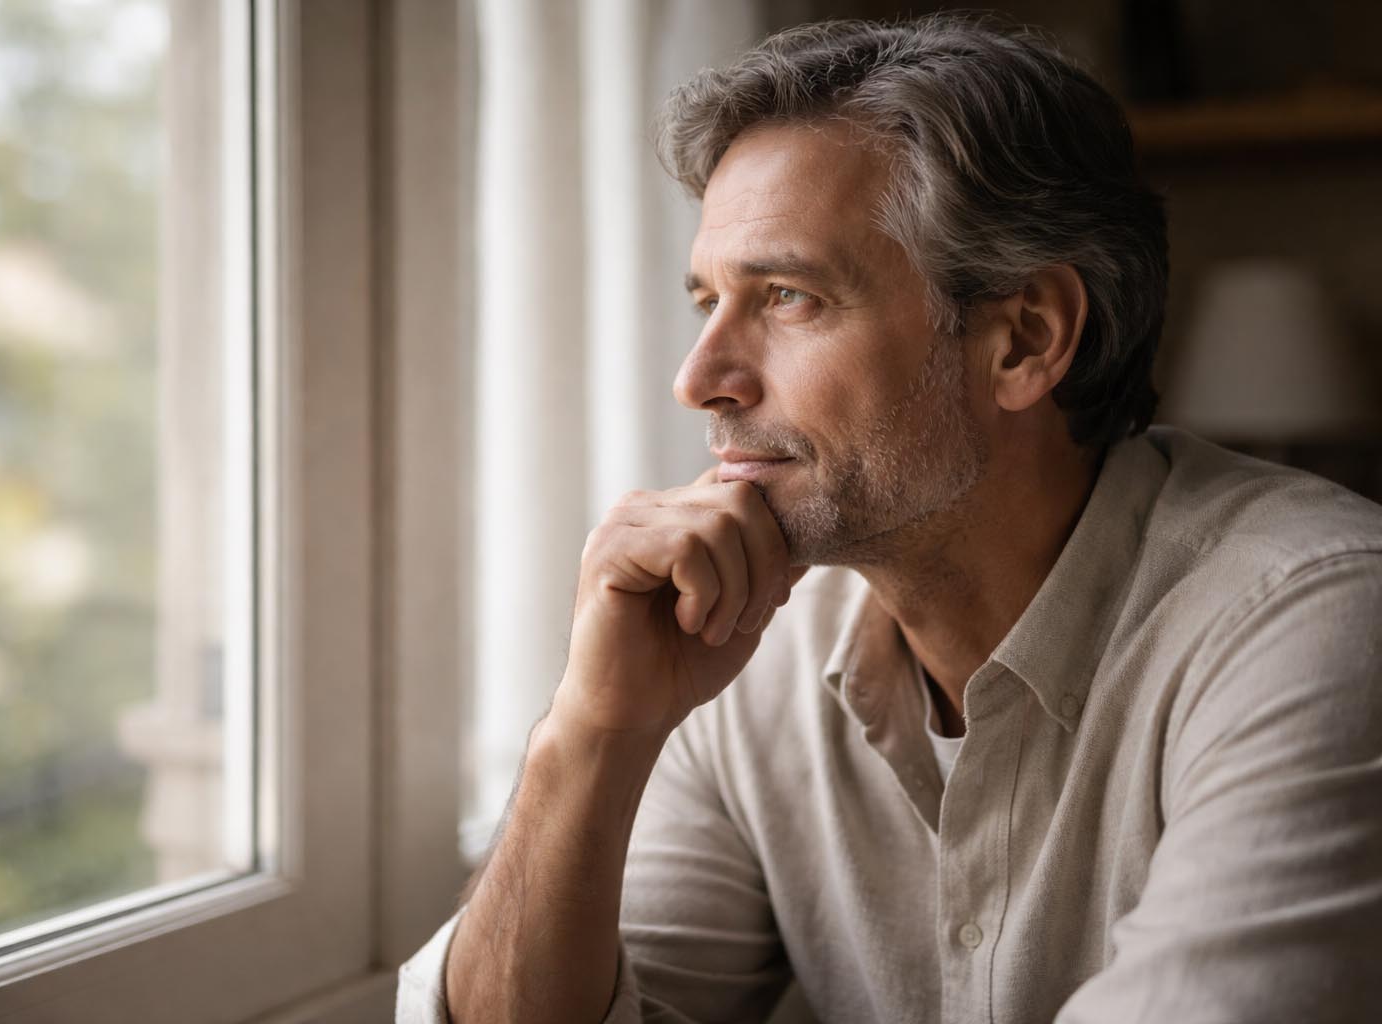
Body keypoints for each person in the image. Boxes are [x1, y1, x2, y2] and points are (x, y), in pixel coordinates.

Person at [398, 14, 1382, 1024]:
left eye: (788, 297)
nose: (699, 379)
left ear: (1023, 340)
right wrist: (591, 732)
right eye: (708, 303)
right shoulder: (742, 658)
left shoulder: (1317, 625)